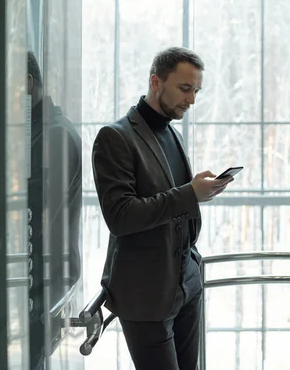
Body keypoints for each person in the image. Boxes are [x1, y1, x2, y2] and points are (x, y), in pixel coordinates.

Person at [92, 47, 233, 370]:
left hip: (186, 284)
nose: (192, 100)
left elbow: (174, 198)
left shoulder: (170, 130)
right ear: (156, 82)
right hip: (145, 294)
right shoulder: (115, 137)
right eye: (185, 89)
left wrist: (196, 190)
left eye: (196, 91)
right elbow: (120, 216)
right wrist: (189, 193)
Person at [27, 51, 83, 370]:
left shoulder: (56, 134)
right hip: (37, 279)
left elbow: (38, 207)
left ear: (26, 84)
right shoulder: (33, 132)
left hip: (43, 284)